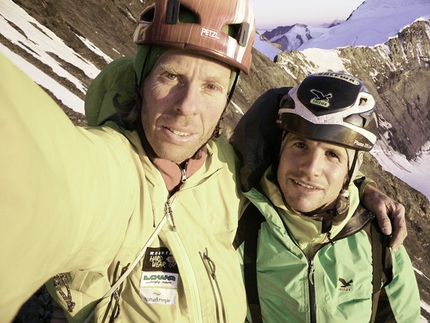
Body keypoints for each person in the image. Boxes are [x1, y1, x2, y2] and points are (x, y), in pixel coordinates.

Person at [0, 0, 405, 322]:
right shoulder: (110, 169)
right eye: (171, 76)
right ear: (141, 80)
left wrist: (360, 189)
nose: (187, 107)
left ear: (228, 99)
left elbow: (316, 161)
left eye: (211, 86)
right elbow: (43, 172)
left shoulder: (227, 172)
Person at [232, 72, 420, 323]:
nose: (310, 169)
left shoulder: (378, 239)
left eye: (332, 154)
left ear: (350, 172)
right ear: (280, 150)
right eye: (300, 145)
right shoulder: (238, 224)